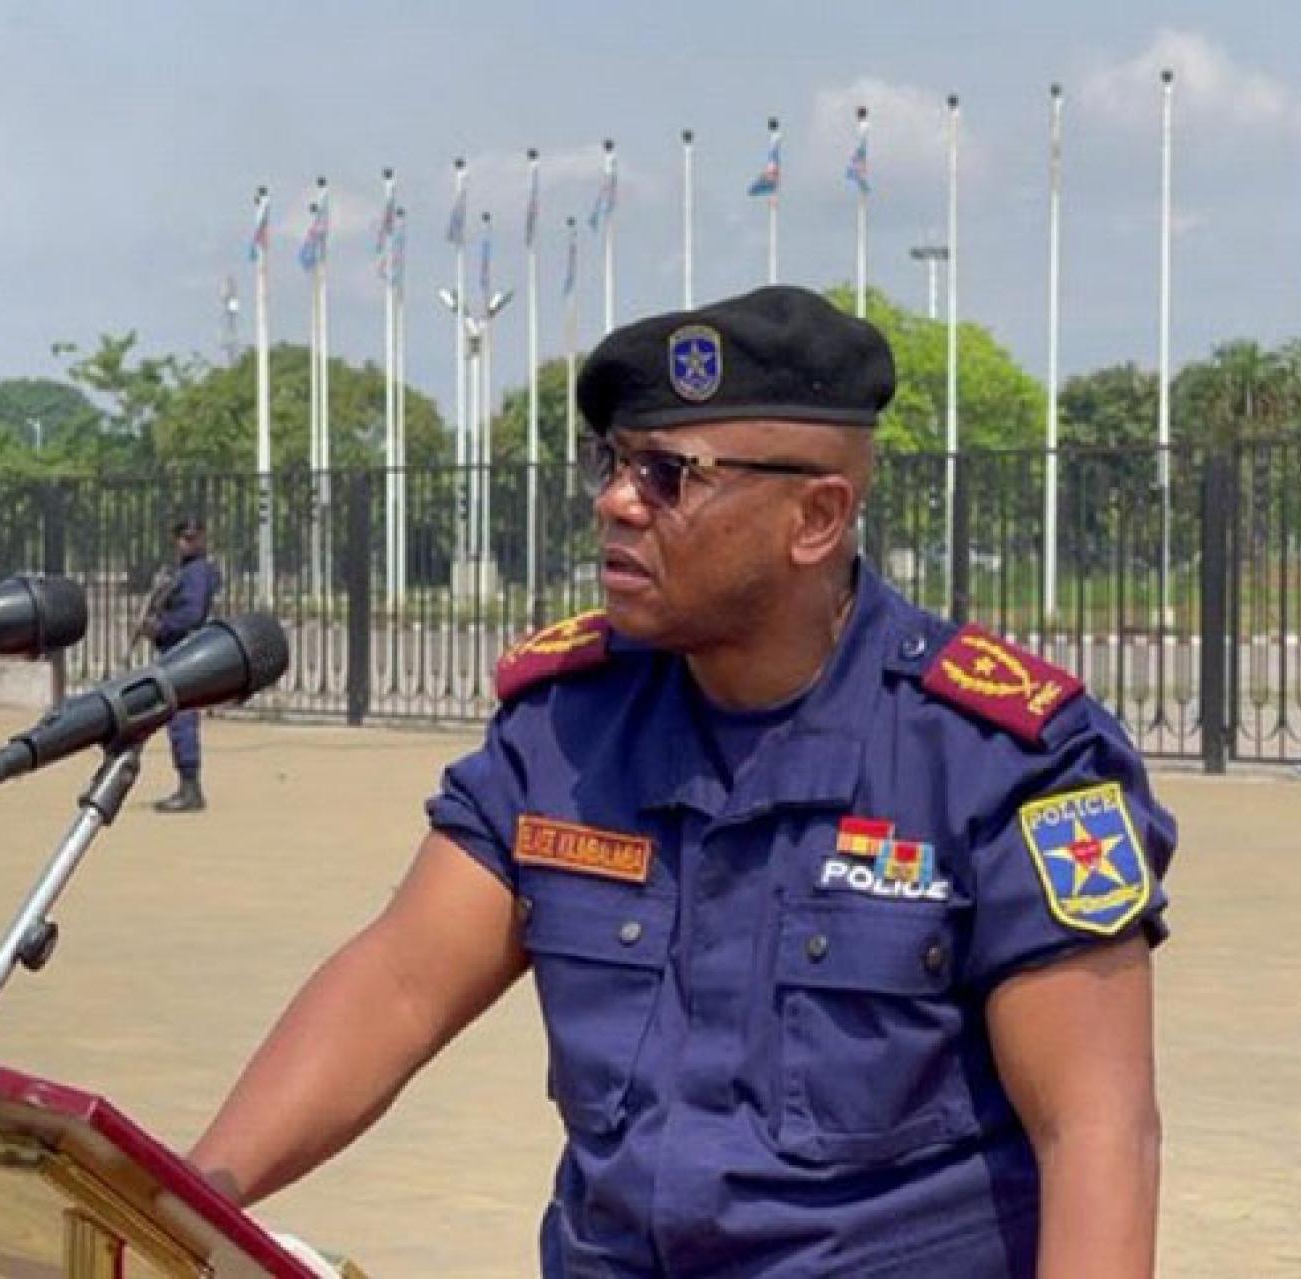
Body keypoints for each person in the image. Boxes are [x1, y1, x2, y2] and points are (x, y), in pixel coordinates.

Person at [187, 286, 1177, 1277]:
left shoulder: (1000, 759)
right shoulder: (569, 728)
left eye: (667, 475)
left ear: (816, 517)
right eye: (613, 462)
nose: (615, 501)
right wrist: (179, 1200)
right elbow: (399, 981)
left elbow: (1096, 1130)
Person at [150, 516, 222, 814]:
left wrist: (160, 626)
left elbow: (191, 615)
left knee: (182, 718)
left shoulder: (197, 573)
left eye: (192, 537)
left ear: (203, 538)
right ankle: (187, 786)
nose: (186, 543)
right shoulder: (186, 572)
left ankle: (190, 789)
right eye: (182, 537)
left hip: (186, 651)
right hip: (180, 651)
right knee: (177, 717)